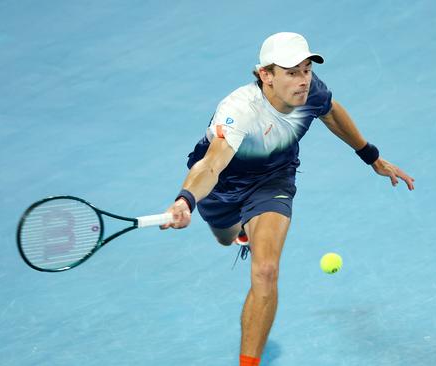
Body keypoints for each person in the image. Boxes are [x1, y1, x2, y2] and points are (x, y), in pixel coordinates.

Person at [160, 32, 415, 366]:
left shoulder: (311, 92)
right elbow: (212, 164)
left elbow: (332, 112)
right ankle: (240, 229)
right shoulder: (238, 110)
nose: (303, 80)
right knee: (225, 237)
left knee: (265, 270)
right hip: (222, 186)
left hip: (273, 182)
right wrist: (186, 201)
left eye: (306, 69)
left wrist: (371, 156)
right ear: (266, 75)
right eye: (292, 72)